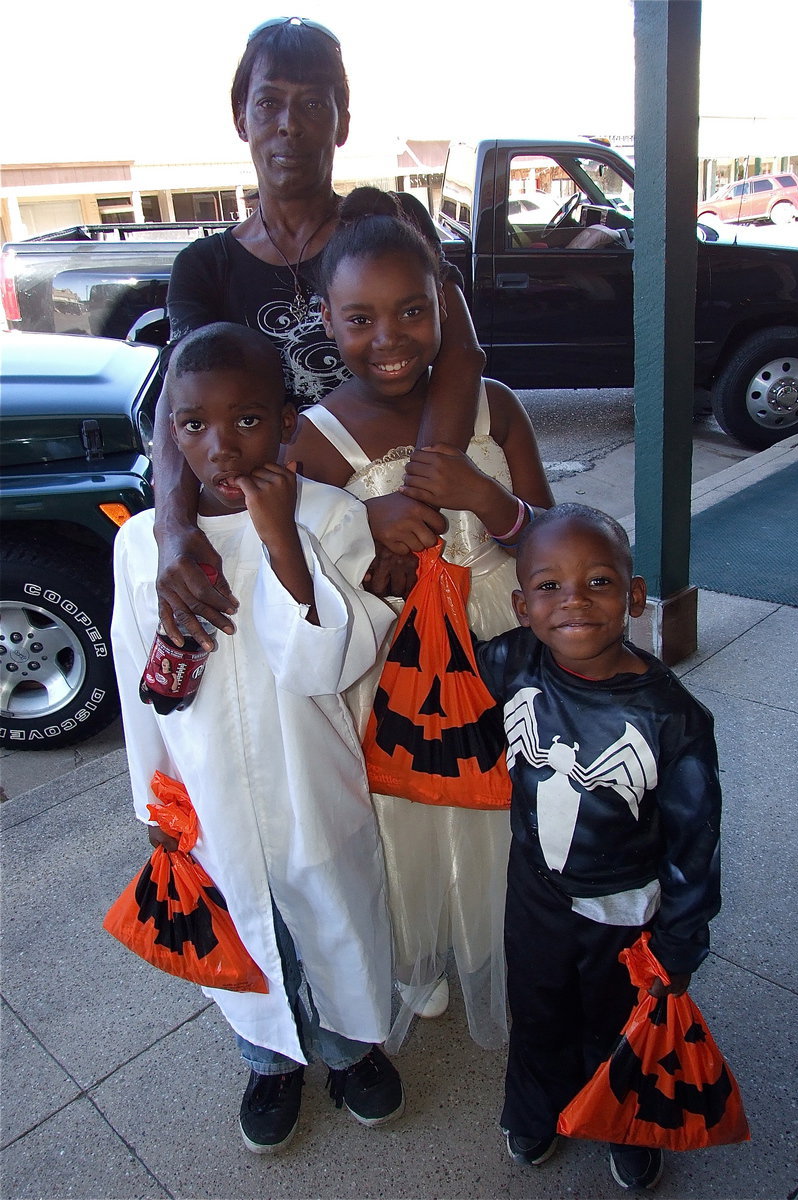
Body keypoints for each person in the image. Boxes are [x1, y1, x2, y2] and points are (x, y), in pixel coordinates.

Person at [110, 322, 404, 1155]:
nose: (220, 445)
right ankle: (269, 1057)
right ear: (172, 432)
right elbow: (144, 686)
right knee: (241, 920)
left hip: (307, 768)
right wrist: (151, 796)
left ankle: (352, 1046)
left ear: (285, 421)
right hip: (205, 786)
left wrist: (281, 541)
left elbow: (324, 666)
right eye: (194, 424)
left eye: (245, 421)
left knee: (334, 903)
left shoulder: (329, 517)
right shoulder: (143, 548)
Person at [287, 187, 555, 1050]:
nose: (389, 338)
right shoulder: (317, 439)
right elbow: (308, 571)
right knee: (403, 813)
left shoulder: (497, 406)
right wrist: (371, 531)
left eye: (410, 310)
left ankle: (493, 935)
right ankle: (422, 948)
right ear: (326, 318)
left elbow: (552, 538)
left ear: (443, 300)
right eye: (360, 318)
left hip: (502, 648)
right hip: (398, 666)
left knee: (499, 807)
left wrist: (488, 499)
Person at [153, 16, 485, 648]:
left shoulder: (389, 227)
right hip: (283, 528)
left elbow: (460, 356)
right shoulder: (206, 268)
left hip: (407, 510)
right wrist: (172, 528)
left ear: (343, 121)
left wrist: (417, 506)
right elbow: (181, 401)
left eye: (313, 104)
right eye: (269, 102)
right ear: (241, 119)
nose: (290, 124)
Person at [474, 504, 722, 1191]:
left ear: (634, 596)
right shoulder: (513, 663)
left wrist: (679, 942)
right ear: (522, 605)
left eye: (599, 583)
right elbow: (440, 674)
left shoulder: (671, 719)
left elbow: (694, 844)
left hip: (625, 906)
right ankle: (536, 1106)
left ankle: (624, 1118)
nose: (573, 601)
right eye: (549, 587)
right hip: (535, 896)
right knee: (540, 1008)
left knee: (617, 1018)